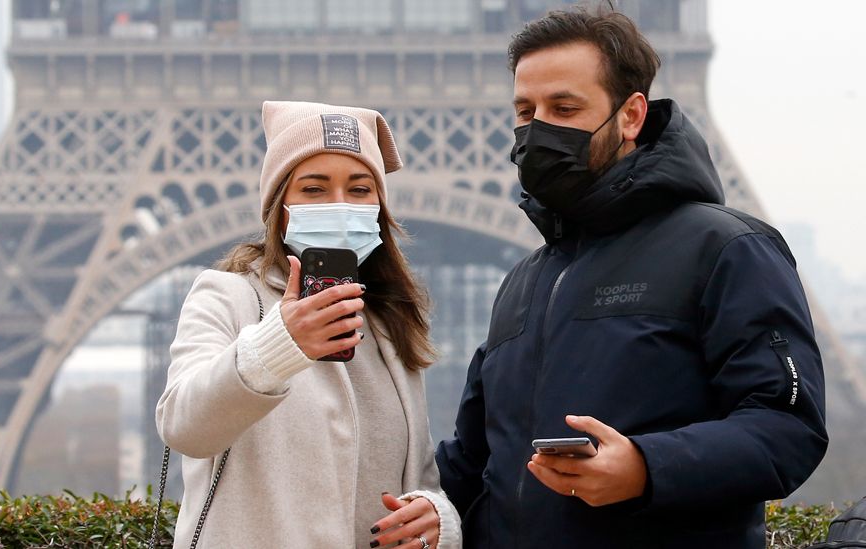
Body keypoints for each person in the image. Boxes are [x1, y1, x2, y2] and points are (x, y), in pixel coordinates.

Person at [435, 5, 828, 548]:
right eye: (525, 111)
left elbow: (789, 427)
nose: (537, 128)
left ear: (631, 115)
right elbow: (478, 457)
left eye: (564, 107)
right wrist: (432, 506)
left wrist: (647, 467)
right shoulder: (525, 280)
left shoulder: (727, 248)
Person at [156, 100, 461, 549]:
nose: (340, 205)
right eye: (314, 190)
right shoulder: (229, 296)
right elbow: (184, 426)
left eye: (359, 190)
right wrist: (279, 345)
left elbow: (417, 477)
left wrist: (438, 518)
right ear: (280, 207)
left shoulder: (386, 320)